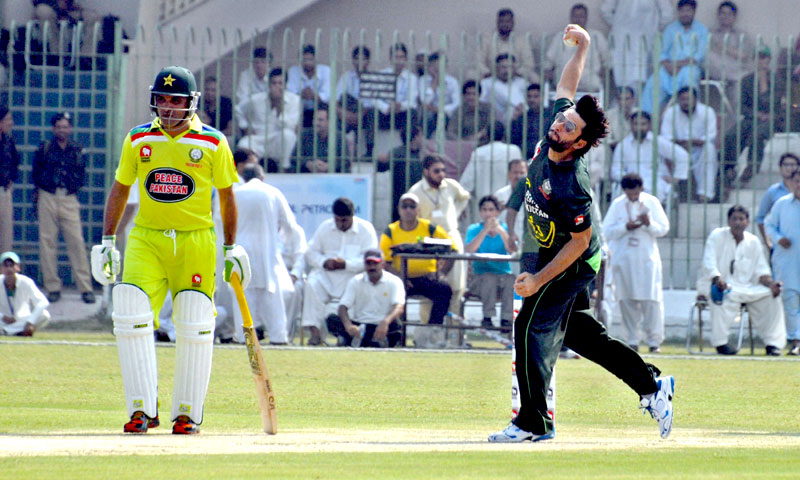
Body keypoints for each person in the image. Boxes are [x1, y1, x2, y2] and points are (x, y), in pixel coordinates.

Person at [488, 24, 674, 444]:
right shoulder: (553, 133)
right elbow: (567, 83)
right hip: (556, 252)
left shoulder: (573, 183)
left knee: (530, 329)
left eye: (569, 128)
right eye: (561, 119)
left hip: (573, 261)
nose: (559, 126)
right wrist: (584, 47)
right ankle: (652, 386)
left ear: (580, 144)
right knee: (582, 336)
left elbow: (578, 242)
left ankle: (533, 424)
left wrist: (537, 278)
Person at [90, 66, 248, 435]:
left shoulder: (213, 142)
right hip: (147, 237)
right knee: (128, 308)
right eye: (162, 99)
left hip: (196, 240)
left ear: (191, 103)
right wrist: (108, 240)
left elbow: (226, 196)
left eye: (176, 100)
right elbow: (120, 189)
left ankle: (187, 413)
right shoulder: (138, 138)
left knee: (195, 318)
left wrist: (231, 246)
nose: (168, 107)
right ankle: (141, 410)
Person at [699, 205, 786, 356]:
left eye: (741, 219)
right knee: (719, 296)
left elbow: (762, 271)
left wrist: (772, 285)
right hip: (720, 286)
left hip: (746, 288)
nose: (737, 223)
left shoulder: (753, 241)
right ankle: (721, 344)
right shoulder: (717, 236)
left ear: (747, 222)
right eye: (734, 219)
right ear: (728, 221)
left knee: (772, 297)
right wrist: (717, 278)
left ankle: (773, 344)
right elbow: (709, 261)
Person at [231, 164, 298, 344]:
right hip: (267, 250)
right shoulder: (273, 192)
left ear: (242, 177)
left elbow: (222, 222)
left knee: (243, 294)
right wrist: (284, 240)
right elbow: (289, 225)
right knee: (272, 295)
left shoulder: (236, 194)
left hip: (240, 250)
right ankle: (278, 336)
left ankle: (245, 336)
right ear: (263, 177)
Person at [602, 173, 669, 352]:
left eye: (636, 193)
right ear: (624, 191)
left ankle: (654, 342)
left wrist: (649, 224)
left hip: (647, 259)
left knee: (651, 301)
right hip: (623, 259)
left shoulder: (652, 202)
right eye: (630, 194)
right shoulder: (617, 205)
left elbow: (664, 228)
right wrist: (625, 227)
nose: (633, 197)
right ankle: (632, 340)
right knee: (626, 300)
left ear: (641, 189)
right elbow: (606, 231)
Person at [32, 112, 94, 304]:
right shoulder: (45, 148)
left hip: (68, 197)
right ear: (54, 129)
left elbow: (82, 173)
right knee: (47, 242)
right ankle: (53, 287)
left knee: (76, 242)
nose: (62, 130)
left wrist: (72, 187)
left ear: (70, 128)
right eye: (59, 127)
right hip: (48, 195)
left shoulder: (76, 149)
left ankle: (85, 288)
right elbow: (36, 172)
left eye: (65, 126)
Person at [302, 197, 377, 346]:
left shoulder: (366, 229)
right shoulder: (325, 227)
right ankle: (315, 334)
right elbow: (310, 253)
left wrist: (346, 264)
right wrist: (324, 262)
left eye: (345, 220)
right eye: (337, 220)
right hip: (327, 276)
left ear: (352, 216)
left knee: (360, 285)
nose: (341, 224)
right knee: (311, 283)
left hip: (353, 277)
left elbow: (370, 259)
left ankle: (347, 335)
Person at [379, 193, 455, 325]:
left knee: (444, 289)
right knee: (388, 294)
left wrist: (442, 273)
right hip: (401, 278)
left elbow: (453, 250)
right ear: (399, 209)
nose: (408, 210)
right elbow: (385, 262)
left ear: (418, 210)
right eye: (405, 206)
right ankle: (395, 332)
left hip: (427, 277)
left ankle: (433, 328)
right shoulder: (390, 231)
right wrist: (400, 278)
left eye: (412, 207)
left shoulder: (430, 228)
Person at [409, 155, 470, 315]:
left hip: (451, 238)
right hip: (429, 240)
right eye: (437, 171)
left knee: (457, 287)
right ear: (426, 171)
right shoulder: (415, 191)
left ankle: (454, 336)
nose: (441, 174)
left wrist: (455, 215)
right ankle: (427, 335)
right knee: (431, 288)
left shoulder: (450, 185)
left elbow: (464, 198)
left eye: (443, 170)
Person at [721, 47, 784, 189]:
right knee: (732, 135)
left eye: (764, 57)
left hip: (772, 120)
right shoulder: (747, 80)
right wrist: (755, 114)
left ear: (768, 60)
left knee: (758, 134)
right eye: (758, 57)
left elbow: (774, 103)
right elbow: (742, 106)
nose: (761, 61)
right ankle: (729, 167)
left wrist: (763, 82)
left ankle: (752, 166)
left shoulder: (776, 80)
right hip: (752, 118)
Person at [640, 0, 708, 114]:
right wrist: (667, 65)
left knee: (689, 83)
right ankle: (647, 120)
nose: (685, 14)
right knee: (653, 83)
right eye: (682, 11)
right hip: (668, 68)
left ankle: (689, 118)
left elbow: (698, 56)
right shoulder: (671, 29)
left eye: (688, 10)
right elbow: (662, 52)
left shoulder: (702, 30)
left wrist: (676, 65)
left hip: (689, 68)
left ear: (694, 12)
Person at [327, 249, 405, 348]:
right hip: (360, 325)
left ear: (382, 264)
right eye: (369, 264)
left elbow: (399, 307)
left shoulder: (394, 281)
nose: (372, 267)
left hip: (381, 325)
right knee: (332, 319)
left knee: (397, 327)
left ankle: (357, 341)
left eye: (375, 264)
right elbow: (342, 307)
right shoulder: (356, 281)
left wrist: (385, 322)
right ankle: (361, 340)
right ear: (364, 265)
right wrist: (348, 326)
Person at [610, 110, 689, 204]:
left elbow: (682, 155)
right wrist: (629, 179)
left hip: (655, 182)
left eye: (643, 124)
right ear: (631, 125)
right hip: (630, 183)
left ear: (649, 125)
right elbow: (615, 170)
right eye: (636, 124)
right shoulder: (623, 145)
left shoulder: (658, 141)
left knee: (657, 192)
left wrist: (676, 177)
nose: (639, 127)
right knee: (620, 193)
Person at [465, 196, 515, 330]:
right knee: (489, 278)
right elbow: (469, 250)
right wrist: (485, 231)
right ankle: (487, 317)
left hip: (503, 277)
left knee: (513, 280)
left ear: (497, 212)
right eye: (484, 210)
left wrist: (501, 231)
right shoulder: (474, 229)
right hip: (479, 278)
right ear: (480, 212)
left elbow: (512, 250)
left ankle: (507, 319)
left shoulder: (505, 228)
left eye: (491, 210)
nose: (488, 213)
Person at [660, 86, 718, 202]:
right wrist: (682, 144)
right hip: (677, 151)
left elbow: (710, 136)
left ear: (696, 100)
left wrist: (690, 142)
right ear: (678, 100)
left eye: (689, 99)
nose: (686, 103)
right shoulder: (671, 113)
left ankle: (705, 194)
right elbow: (666, 137)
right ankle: (667, 194)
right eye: (683, 99)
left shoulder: (707, 112)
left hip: (699, 150)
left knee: (709, 149)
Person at [600, 0, 674, 90]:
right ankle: (624, 100)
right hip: (623, 40)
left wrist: (653, 28)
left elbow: (668, 14)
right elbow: (605, 10)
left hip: (643, 40)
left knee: (641, 77)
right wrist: (618, 25)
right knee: (623, 75)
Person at [237, 67, 300, 171]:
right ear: (269, 84)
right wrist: (244, 126)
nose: (277, 86)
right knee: (243, 143)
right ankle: (249, 172)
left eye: (280, 83)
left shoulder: (294, 100)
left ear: (286, 85)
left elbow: (291, 125)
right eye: (274, 83)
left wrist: (280, 109)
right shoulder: (256, 99)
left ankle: (283, 168)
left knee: (288, 135)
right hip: (259, 139)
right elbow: (238, 109)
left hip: (277, 141)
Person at [765, 171, 800, 355]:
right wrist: (779, 239)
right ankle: (796, 341)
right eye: (797, 180)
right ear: (791, 182)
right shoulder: (782, 204)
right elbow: (769, 225)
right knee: (790, 299)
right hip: (788, 260)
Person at [544, 3, 609, 93]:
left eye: (581, 16)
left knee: (594, 82)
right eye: (575, 16)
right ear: (571, 18)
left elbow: (607, 59)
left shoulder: (596, 36)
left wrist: (604, 71)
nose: (578, 20)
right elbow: (548, 61)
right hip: (564, 76)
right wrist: (548, 71)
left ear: (586, 18)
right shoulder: (560, 37)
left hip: (589, 77)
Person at [461, 122, 522, 210]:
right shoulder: (514, 150)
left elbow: (467, 183)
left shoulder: (479, 153)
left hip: (485, 206)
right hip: (508, 203)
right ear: (504, 134)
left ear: (486, 135)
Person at [377, 123, 427, 221]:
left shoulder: (420, 154)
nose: (423, 139)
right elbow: (381, 168)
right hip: (401, 197)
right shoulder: (398, 153)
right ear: (415, 137)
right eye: (421, 135)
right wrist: (380, 161)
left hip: (416, 197)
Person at [336, 45, 376, 157]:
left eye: (363, 59)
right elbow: (335, 100)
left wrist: (359, 115)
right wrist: (344, 113)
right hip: (346, 113)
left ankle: (369, 152)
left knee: (373, 113)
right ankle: (339, 152)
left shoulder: (373, 78)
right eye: (357, 58)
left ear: (368, 61)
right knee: (342, 103)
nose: (359, 62)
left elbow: (371, 104)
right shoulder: (346, 76)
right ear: (353, 61)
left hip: (364, 115)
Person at [480, 8, 538, 82]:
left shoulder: (522, 40)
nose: (505, 24)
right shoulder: (487, 39)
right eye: (502, 21)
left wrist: (516, 73)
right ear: (497, 23)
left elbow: (529, 63)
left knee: (534, 77)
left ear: (513, 23)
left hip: (516, 76)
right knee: (471, 74)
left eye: (507, 21)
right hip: (492, 76)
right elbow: (479, 62)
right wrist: (489, 73)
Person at [0, 251, 50, 337]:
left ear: (18, 267)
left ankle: (6, 331)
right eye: (6, 266)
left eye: (11, 265)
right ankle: (16, 332)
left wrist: (30, 322)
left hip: (21, 320)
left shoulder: (26, 282)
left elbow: (43, 302)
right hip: (2, 321)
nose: (9, 269)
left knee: (45, 315)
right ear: (1, 269)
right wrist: (2, 317)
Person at [756, 153, 799, 250]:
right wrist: (769, 242)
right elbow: (760, 218)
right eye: (786, 165)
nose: (789, 168)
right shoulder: (773, 192)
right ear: (780, 167)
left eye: (792, 165)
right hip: (781, 246)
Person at [706, 1, 754, 84]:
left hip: (736, 67)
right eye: (723, 13)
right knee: (709, 57)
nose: (726, 16)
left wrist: (722, 47)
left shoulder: (742, 36)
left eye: (730, 14)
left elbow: (743, 55)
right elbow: (708, 52)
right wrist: (732, 52)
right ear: (718, 15)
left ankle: (737, 77)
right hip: (716, 69)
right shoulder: (710, 34)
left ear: (734, 17)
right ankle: (738, 77)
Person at [376, 43, 419, 134]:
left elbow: (412, 102)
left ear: (406, 59)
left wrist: (400, 106)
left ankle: (408, 145)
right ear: (391, 59)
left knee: (412, 113)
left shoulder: (412, 78)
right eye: (396, 57)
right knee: (372, 112)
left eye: (401, 57)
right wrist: (387, 107)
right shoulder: (382, 75)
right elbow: (374, 99)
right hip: (384, 114)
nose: (399, 60)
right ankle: (370, 147)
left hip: (402, 114)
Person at [290, 106, 347, 173]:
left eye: (320, 120)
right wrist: (308, 164)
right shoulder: (305, 134)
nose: (316, 123)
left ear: (329, 121)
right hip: (307, 175)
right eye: (314, 119)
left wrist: (329, 166)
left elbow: (346, 160)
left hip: (332, 176)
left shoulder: (339, 137)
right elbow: (294, 157)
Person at [286, 44, 331, 129]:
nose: (307, 63)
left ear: (316, 60)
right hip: (300, 109)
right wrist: (303, 94)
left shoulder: (326, 70)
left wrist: (313, 95)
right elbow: (290, 94)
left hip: (320, 109)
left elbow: (327, 95)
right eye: (304, 60)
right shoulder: (293, 71)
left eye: (310, 59)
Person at [419, 52, 460, 138]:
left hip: (446, 113)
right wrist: (434, 82)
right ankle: (425, 141)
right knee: (428, 116)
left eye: (440, 65)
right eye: (434, 65)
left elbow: (456, 103)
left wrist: (440, 109)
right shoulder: (423, 80)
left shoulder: (452, 82)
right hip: (429, 114)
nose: (437, 68)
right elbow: (425, 102)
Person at [480, 54, 527, 122]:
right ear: (496, 68)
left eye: (510, 67)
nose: (506, 71)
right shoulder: (486, 83)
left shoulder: (522, 83)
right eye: (503, 67)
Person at [494, 158, 528, 250]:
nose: (518, 176)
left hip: (524, 242)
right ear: (509, 174)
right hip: (502, 243)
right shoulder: (500, 195)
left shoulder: (531, 194)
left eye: (522, 173)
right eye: (515, 172)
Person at [0, 106, 20, 254]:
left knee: (6, 237)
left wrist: (10, 183)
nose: (11, 123)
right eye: (7, 120)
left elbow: (14, 163)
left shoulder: (8, 141)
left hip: (4, 191)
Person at [235, 47, 271, 121]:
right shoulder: (245, 75)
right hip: (251, 114)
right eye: (256, 62)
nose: (259, 65)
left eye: (263, 62)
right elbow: (242, 99)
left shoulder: (273, 76)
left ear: (269, 64)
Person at [509, 83, 543, 159]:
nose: (532, 99)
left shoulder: (550, 116)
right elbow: (513, 140)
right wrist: (514, 120)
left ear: (543, 97)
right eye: (529, 96)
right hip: (525, 158)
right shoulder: (521, 118)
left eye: (536, 96)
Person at [604, 86, 636, 150]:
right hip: (615, 149)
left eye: (627, 99)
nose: (623, 102)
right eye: (620, 99)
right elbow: (607, 139)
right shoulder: (609, 115)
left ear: (633, 100)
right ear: (617, 101)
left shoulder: (640, 114)